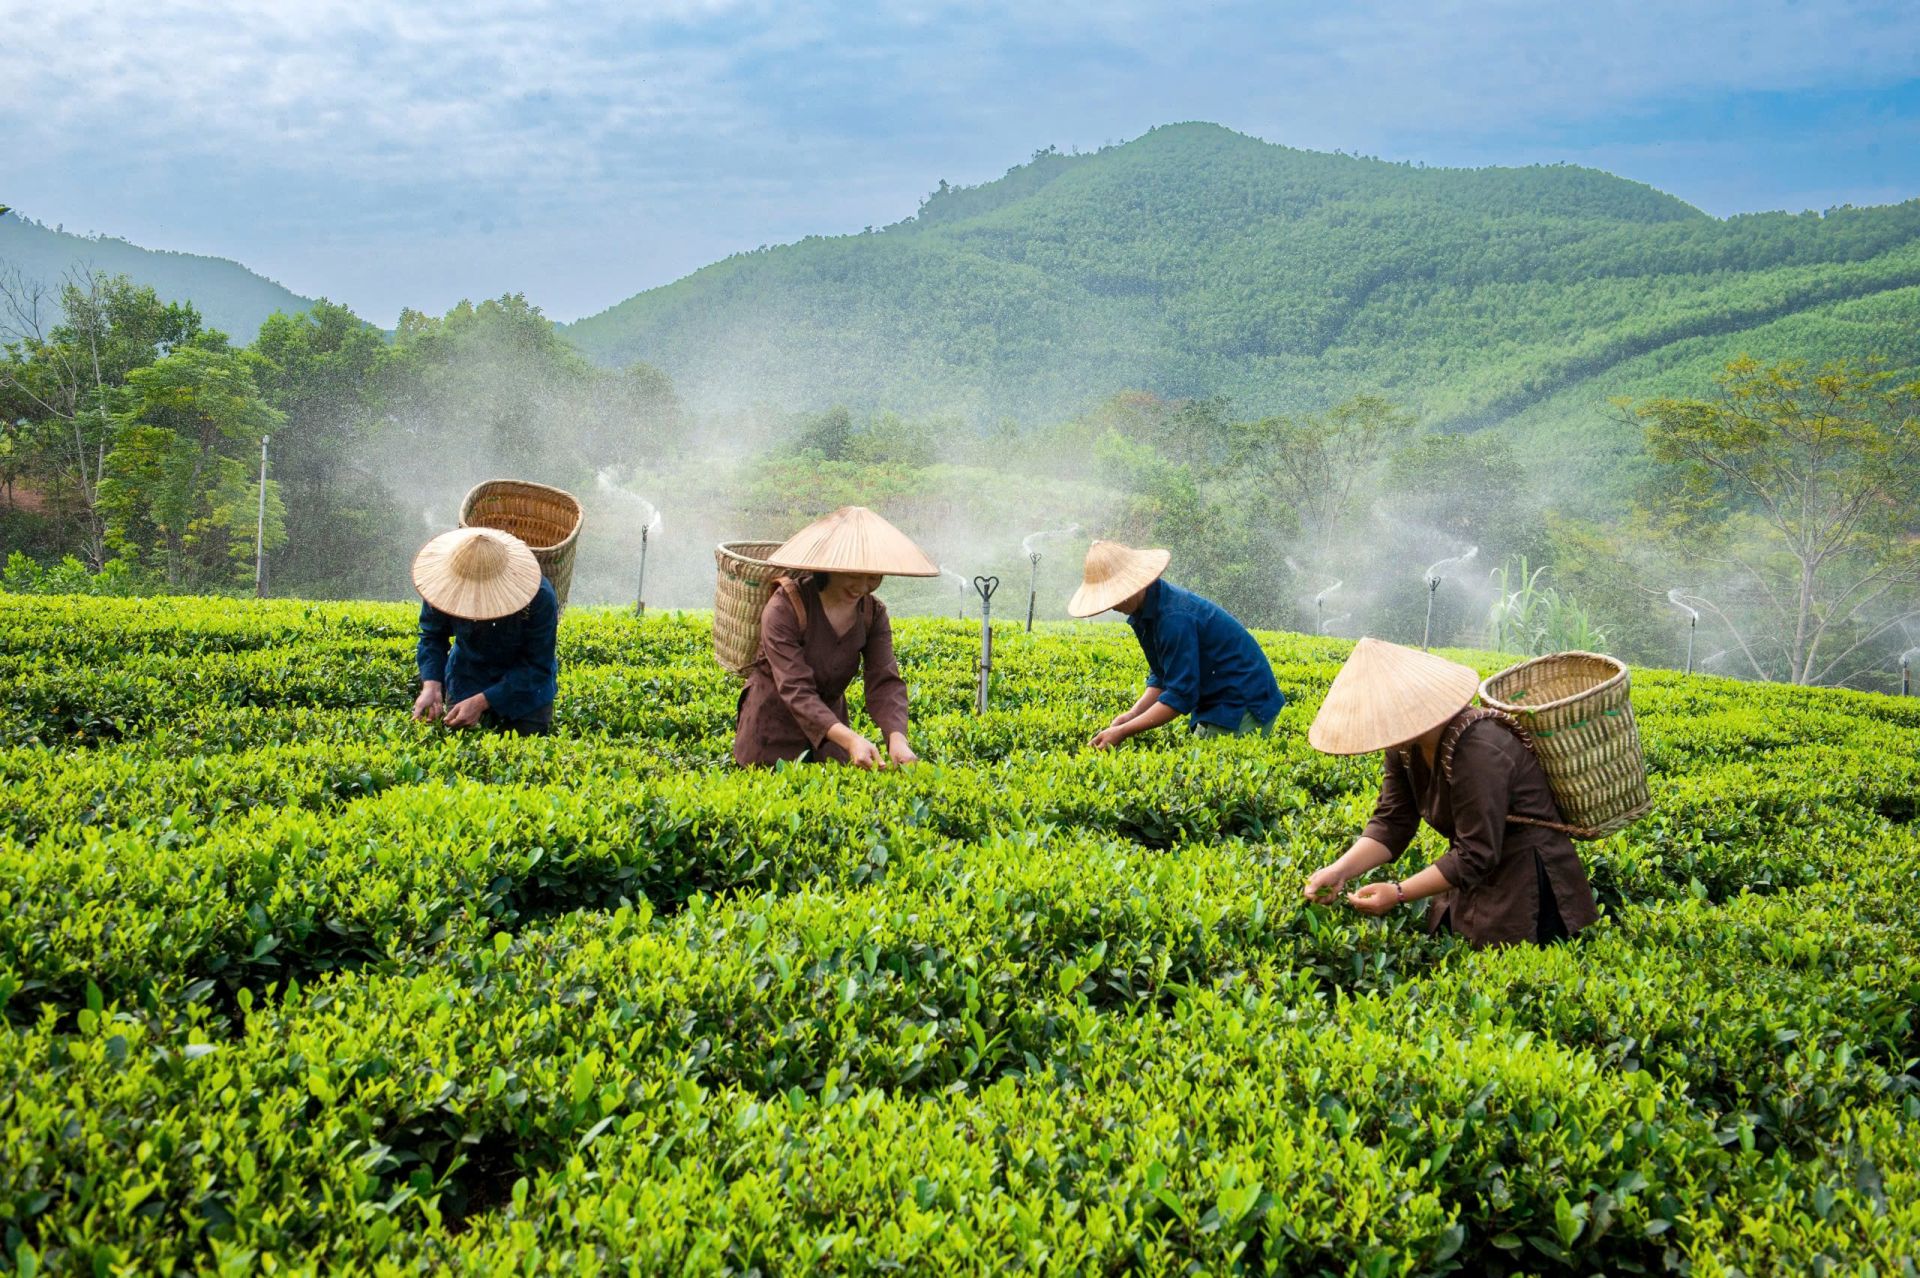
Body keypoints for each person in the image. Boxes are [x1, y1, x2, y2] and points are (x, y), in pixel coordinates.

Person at [1301, 637, 1599, 946]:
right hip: (1473, 874)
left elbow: (1477, 853)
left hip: (1528, 884)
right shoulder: (1404, 746)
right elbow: (1392, 822)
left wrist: (1399, 892)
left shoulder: (1480, 748)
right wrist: (1339, 871)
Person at [733, 506, 937, 768]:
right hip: (771, 738)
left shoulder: (872, 614)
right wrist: (851, 739)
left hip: (831, 744)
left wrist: (897, 738)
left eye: (874, 577)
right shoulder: (784, 608)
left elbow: (884, 680)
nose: (863, 587)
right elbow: (795, 688)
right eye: (854, 575)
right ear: (828, 567)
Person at [1068, 540, 1284, 749]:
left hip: (1242, 703)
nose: (1112, 605)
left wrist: (1124, 731)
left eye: (1115, 596)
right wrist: (1132, 715)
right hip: (1218, 701)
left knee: (1216, 771)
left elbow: (1181, 695)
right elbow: (1162, 677)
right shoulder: (1145, 612)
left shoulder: (1173, 618)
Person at [411, 527, 559, 735]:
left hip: (525, 697)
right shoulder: (442, 587)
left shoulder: (539, 597)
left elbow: (537, 665)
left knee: (522, 755)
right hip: (466, 678)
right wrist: (432, 684)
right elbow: (432, 636)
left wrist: (483, 701)